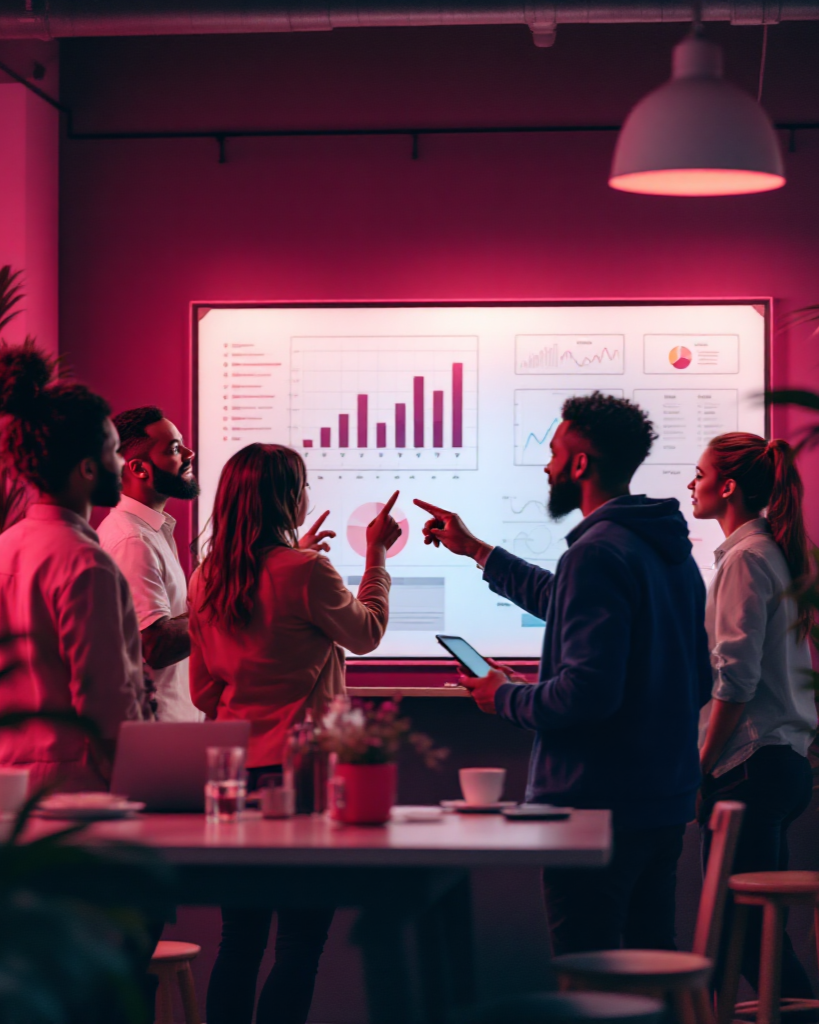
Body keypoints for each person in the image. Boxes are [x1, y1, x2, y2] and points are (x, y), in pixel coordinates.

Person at [416, 391, 712, 954]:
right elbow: (698, 676)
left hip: (596, 809)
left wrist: (506, 696)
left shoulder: (597, 553)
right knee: (651, 968)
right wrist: (477, 550)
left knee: (590, 976)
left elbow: (586, 695)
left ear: (579, 464)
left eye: (553, 453)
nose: (547, 466)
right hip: (663, 803)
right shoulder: (666, 550)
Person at [188, 442, 400, 1024]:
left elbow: (204, 691)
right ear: (288, 497)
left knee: (240, 940)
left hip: (236, 779)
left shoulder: (207, 577)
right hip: (303, 779)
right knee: (301, 944)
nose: (309, 495)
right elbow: (368, 632)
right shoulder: (306, 571)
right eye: (302, 485)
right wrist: (376, 555)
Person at [691, 432, 817, 998]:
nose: (691, 484)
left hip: (749, 766)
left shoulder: (745, 560)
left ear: (729, 485)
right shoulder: (771, 553)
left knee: (739, 937)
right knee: (749, 935)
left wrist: (702, 765)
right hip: (781, 764)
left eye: (699, 473)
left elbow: (735, 680)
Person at [0, 341, 145, 792]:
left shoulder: (5, 547)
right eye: (115, 451)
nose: (121, 464)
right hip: (75, 784)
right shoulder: (87, 564)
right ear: (87, 468)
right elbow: (104, 699)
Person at [97, 406, 202, 721]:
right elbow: (154, 646)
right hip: (160, 730)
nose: (189, 453)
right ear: (139, 468)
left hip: (172, 726)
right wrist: (220, 607)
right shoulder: (133, 541)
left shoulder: (147, 532)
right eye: (173, 448)